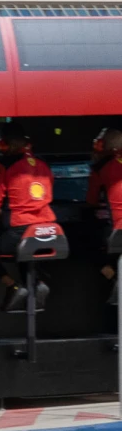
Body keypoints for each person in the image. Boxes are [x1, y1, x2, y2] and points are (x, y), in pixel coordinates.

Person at [0, 122, 56, 312]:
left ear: (6, 144)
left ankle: (12, 286)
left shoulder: (4, 165)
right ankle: (37, 283)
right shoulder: (43, 164)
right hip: (50, 232)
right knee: (25, 250)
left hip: (20, 231)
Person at [86, 127, 122, 306]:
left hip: (117, 229)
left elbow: (91, 200)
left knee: (87, 245)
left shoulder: (101, 168)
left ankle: (115, 278)